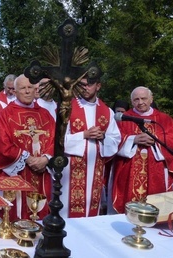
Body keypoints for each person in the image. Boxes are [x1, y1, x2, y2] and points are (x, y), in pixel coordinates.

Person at [0, 74, 55, 221]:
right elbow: (1, 144)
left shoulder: (46, 115)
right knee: (15, 215)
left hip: (41, 174)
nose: (27, 91)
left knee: (40, 215)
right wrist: (27, 158)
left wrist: (46, 158)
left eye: (30, 87)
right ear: (15, 91)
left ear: (35, 90)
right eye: (22, 88)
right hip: (15, 173)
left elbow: (54, 140)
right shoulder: (6, 114)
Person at [111, 86, 173, 213]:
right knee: (128, 206)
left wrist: (156, 138)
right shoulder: (124, 118)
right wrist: (133, 140)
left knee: (155, 204)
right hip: (129, 170)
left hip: (157, 169)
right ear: (132, 101)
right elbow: (113, 140)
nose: (140, 102)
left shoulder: (164, 119)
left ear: (151, 99)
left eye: (144, 98)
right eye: (136, 99)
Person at [61, 76, 121, 218]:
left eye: (89, 85)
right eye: (82, 85)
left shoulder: (107, 112)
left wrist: (103, 137)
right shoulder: (68, 107)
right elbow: (58, 138)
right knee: (68, 208)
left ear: (98, 86)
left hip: (95, 168)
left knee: (91, 209)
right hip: (71, 168)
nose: (85, 88)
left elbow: (116, 140)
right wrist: (84, 135)